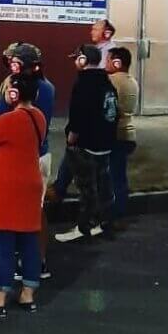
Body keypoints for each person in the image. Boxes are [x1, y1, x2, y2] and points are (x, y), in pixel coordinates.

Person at [0, 73, 48, 317]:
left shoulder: (9, 119)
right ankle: (28, 295)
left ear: (13, 93)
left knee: (5, 245)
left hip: (7, 188)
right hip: (31, 184)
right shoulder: (39, 117)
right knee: (29, 243)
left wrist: (3, 105)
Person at [0, 43, 55, 279]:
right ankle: (36, 260)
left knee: (21, 211)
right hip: (40, 154)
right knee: (35, 209)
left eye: (14, 62)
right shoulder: (47, 87)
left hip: (22, 158)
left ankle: (28, 262)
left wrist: (3, 100)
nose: (11, 66)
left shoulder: (21, 89)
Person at [55, 44, 118, 243]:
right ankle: (103, 223)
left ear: (83, 60)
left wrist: (72, 136)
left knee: (86, 188)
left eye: (77, 58)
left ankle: (84, 227)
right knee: (102, 185)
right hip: (105, 143)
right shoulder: (107, 83)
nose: (75, 62)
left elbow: (78, 113)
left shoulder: (83, 83)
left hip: (87, 143)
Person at [107, 47, 139, 230]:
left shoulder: (111, 80)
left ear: (117, 62)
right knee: (120, 175)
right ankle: (119, 211)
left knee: (112, 175)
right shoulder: (133, 81)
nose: (106, 64)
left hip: (115, 133)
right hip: (129, 132)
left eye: (109, 60)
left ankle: (114, 214)